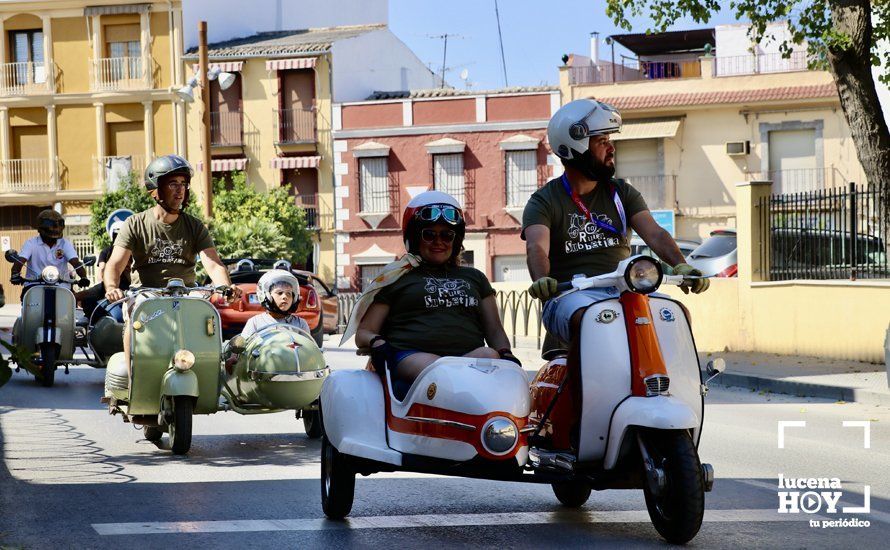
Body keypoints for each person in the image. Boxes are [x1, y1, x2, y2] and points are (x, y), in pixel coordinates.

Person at [523, 99, 709, 350]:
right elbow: (536, 247)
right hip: (570, 295)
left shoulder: (621, 192)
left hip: (626, 288)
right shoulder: (543, 201)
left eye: (609, 140)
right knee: (587, 319)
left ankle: (673, 386)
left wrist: (681, 266)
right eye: (602, 142)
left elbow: (654, 233)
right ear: (574, 148)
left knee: (676, 314)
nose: (611, 148)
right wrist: (542, 279)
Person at [355, 191, 519, 386]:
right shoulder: (395, 277)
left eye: (447, 235)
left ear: (456, 240)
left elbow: (495, 331)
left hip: (467, 358)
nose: (438, 241)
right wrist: (377, 343)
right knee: (439, 371)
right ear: (415, 238)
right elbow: (364, 332)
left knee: (489, 355)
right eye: (429, 234)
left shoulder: (475, 278)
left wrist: (506, 354)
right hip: (412, 356)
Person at [102, 154, 241, 367]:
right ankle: (134, 380)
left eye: (183, 184)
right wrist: (112, 287)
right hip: (147, 293)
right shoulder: (135, 224)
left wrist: (225, 287)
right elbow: (115, 264)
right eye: (173, 184)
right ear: (156, 189)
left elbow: (213, 263)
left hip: (186, 292)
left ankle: (210, 373)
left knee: (209, 318)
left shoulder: (195, 226)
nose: (180, 189)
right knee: (132, 315)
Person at [10, 209, 89, 295]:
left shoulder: (65, 244)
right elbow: (20, 261)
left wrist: (83, 277)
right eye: (49, 236)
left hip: (62, 287)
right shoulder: (31, 243)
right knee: (27, 305)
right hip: (34, 287)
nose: (52, 239)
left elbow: (76, 263)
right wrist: (15, 274)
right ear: (40, 230)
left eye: (55, 237)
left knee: (72, 305)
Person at [241, 269, 310, 338]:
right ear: (267, 296)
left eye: (288, 293)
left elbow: (308, 347)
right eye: (279, 293)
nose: (285, 297)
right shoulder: (255, 323)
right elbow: (244, 346)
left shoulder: (300, 324)